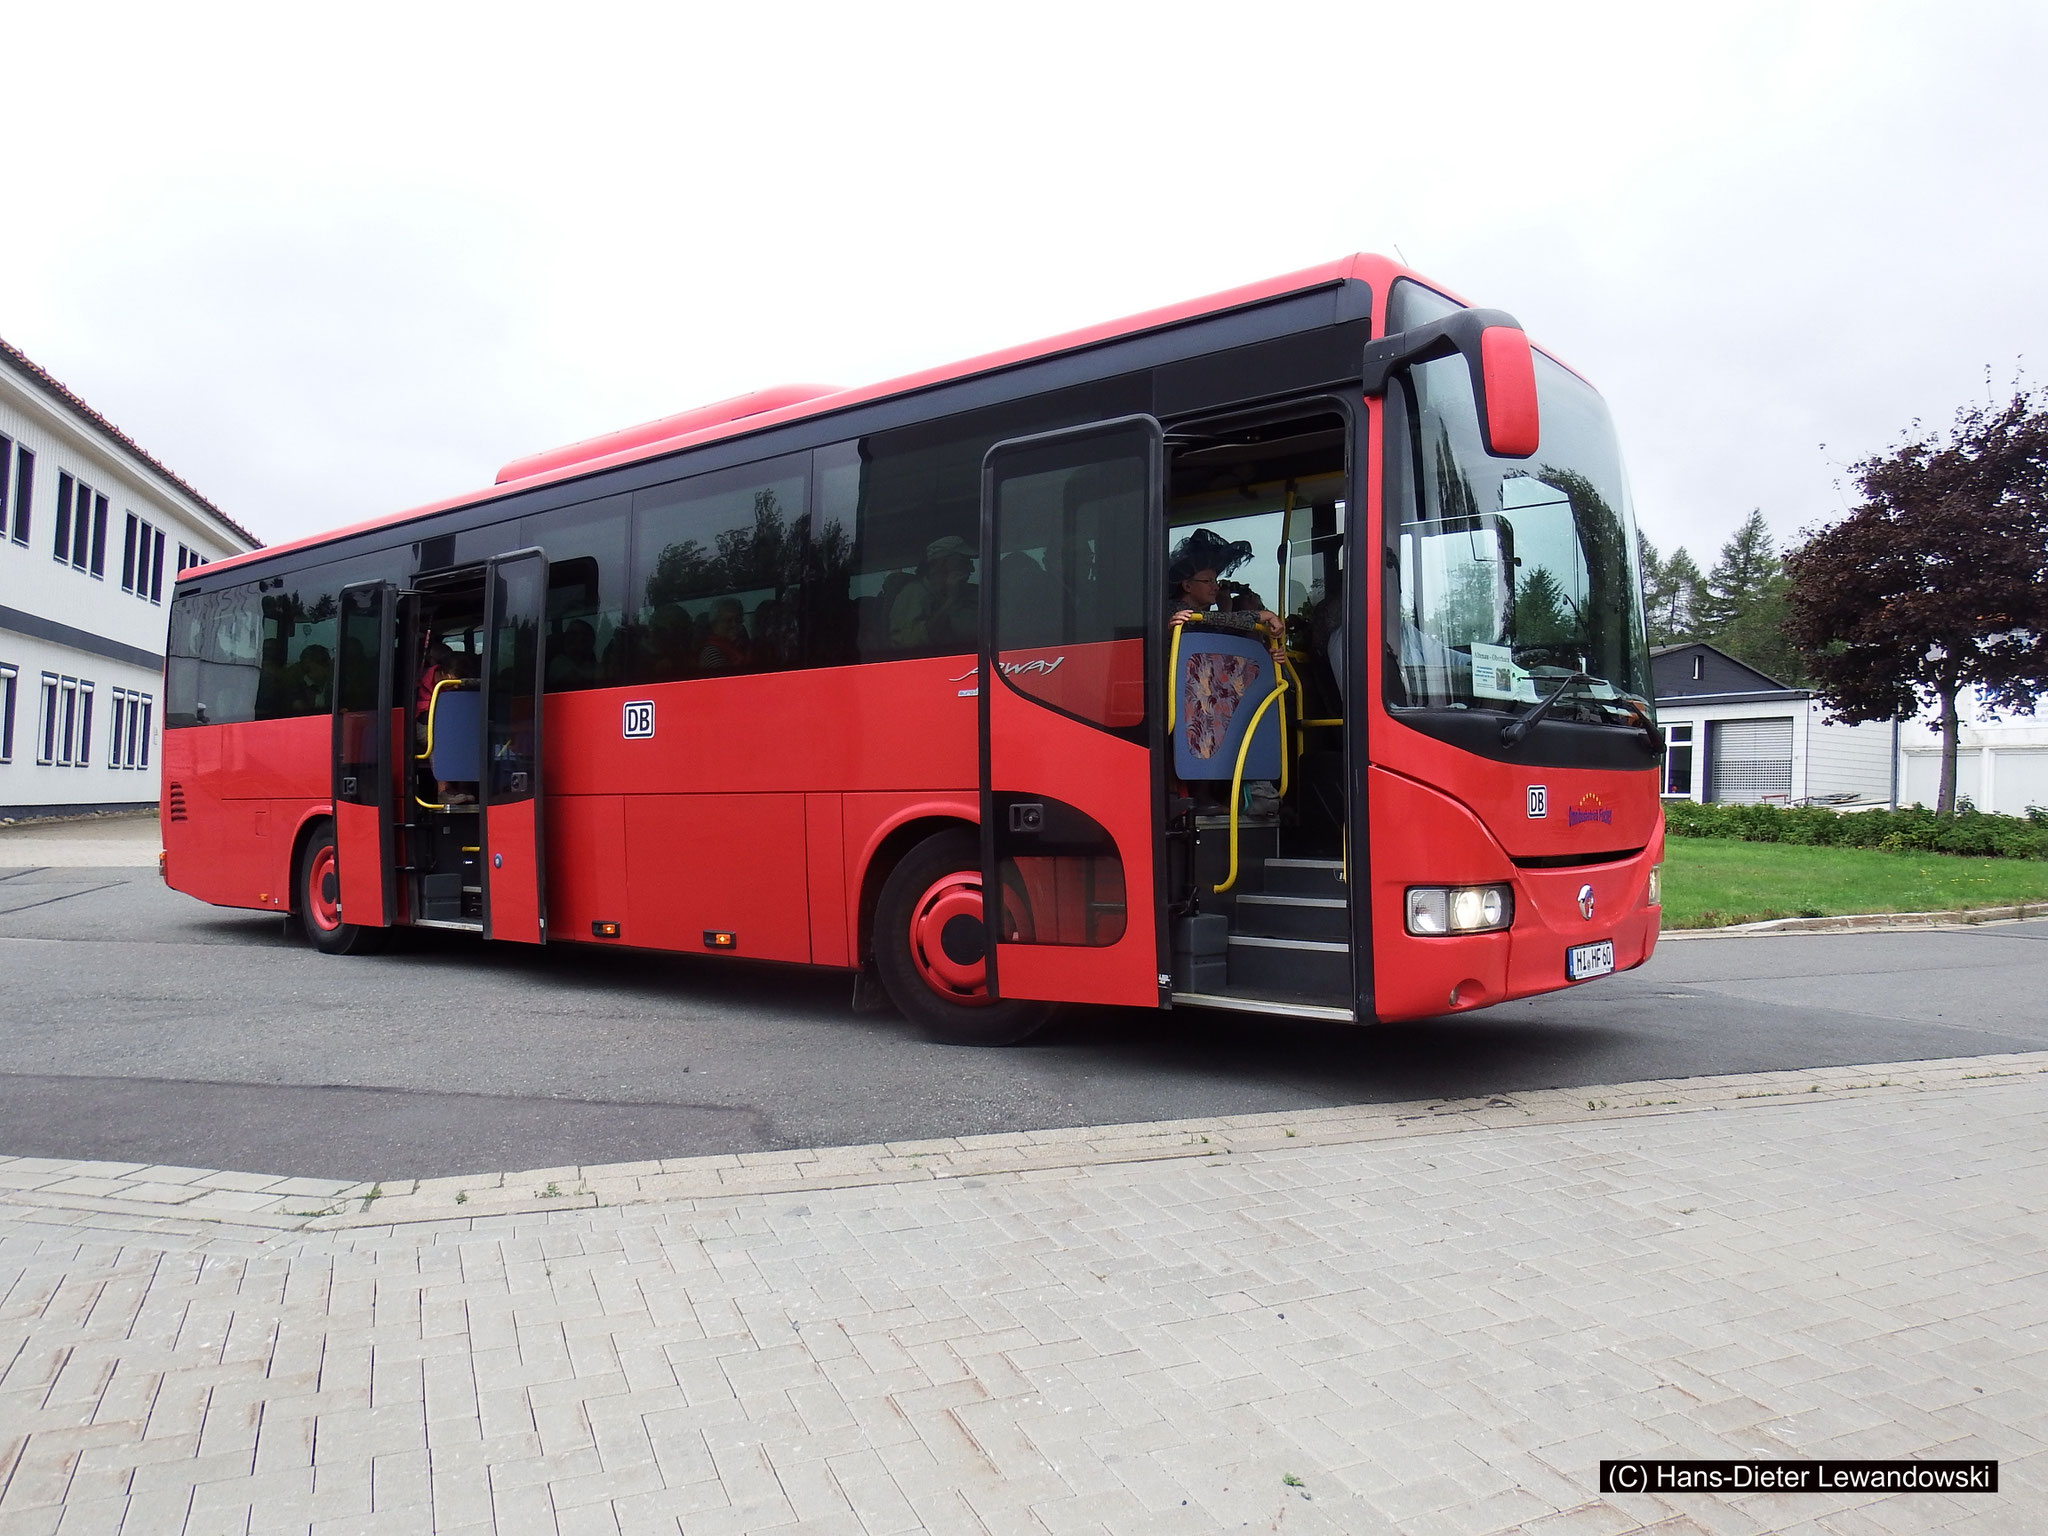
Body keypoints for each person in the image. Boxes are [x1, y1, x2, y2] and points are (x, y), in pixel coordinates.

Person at [1165, 528, 1283, 642]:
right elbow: (1211, 620)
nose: (1216, 587)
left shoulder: (1202, 618)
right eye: (1208, 581)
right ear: (1187, 586)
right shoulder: (1174, 609)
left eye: (1215, 581)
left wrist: (1225, 607)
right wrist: (1266, 615)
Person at [890, 535, 978, 651]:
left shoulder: (972, 594)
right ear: (940, 563)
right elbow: (912, 644)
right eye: (963, 562)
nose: (971, 569)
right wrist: (950, 601)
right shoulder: (913, 594)